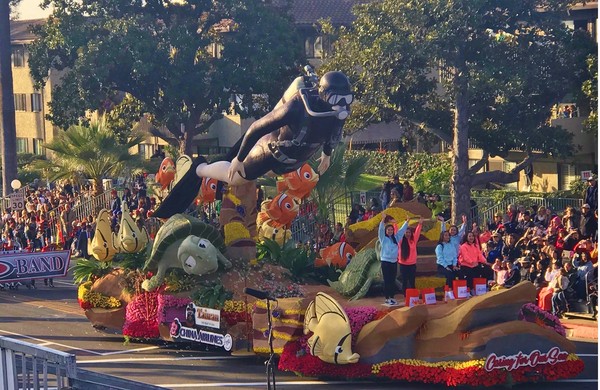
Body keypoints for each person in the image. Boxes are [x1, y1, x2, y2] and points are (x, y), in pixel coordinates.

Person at [154, 71, 353, 218]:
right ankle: (201, 169)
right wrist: (239, 160)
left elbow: (332, 135)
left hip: (292, 161)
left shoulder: (338, 112)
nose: (342, 104)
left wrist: (327, 153)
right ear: (323, 94)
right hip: (270, 153)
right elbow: (256, 128)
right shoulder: (297, 107)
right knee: (237, 179)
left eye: (346, 99)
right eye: (337, 98)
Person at [378, 211, 409, 305]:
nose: (390, 231)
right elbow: (380, 230)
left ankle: (392, 297)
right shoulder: (383, 238)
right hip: (385, 262)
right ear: (386, 231)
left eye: (391, 230)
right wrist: (383, 220)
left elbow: (402, 231)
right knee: (387, 280)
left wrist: (407, 221)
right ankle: (387, 297)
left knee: (392, 280)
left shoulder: (396, 237)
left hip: (394, 262)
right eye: (388, 230)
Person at [397, 216, 424, 295]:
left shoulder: (413, 240)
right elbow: (398, 232)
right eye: (406, 232)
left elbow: (417, 232)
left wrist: (420, 224)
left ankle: (413, 295)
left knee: (412, 281)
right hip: (403, 264)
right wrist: (406, 222)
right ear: (404, 233)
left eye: (409, 232)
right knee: (404, 281)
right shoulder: (400, 241)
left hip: (412, 264)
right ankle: (405, 296)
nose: (408, 234)